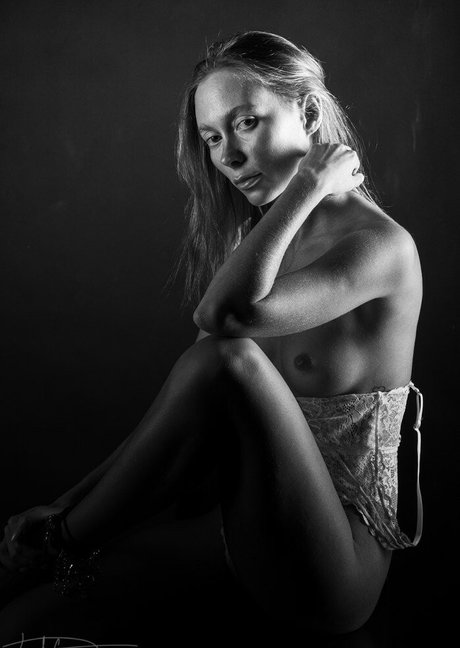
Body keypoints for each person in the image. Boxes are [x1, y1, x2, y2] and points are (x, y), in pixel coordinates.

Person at [0, 30, 423, 637]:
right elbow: (177, 417)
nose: (229, 157)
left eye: (246, 123)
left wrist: (308, 185)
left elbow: (222, 324)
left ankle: (62, 541)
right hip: (240, 534)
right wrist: (66, 500)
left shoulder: (380, 247)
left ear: (308, 114)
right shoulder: (261, 247)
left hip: (334, 568)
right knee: (22, 618)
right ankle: (60, 538)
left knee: (227, 360)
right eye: (212, 138)